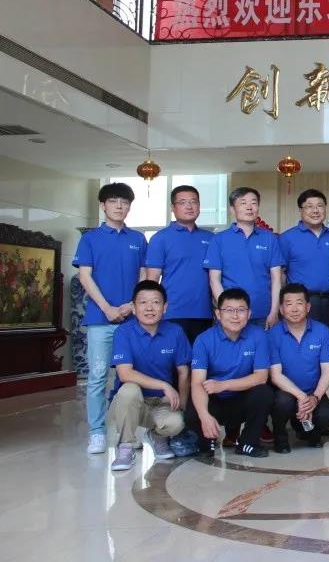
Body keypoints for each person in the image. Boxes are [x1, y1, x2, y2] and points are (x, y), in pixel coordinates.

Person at [74, 181, 148, 456]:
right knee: (97, 377)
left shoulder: (138, 239)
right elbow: (84, 276)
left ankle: (128, 433)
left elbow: (144, 275)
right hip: (100, 319)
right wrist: (107, 308)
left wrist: (131, 305)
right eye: (114, 201)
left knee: (130, 379)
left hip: (131, 320)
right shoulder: (90, 239)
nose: (119, 206)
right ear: (103, 205)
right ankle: (97, 432)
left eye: (124, 202)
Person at [108, 280, 190, 471]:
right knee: (129, 390)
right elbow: (125, 373)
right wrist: (164, 385)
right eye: (143, 302)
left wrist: (182, 406)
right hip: (130, 403)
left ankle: (157, 436)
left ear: (165, 307)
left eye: (156, 302)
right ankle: (125, 446)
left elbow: (183, 372)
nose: (149, 308)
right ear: (133, 308)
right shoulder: (123, 332)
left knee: (177, 424)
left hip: (161, 403)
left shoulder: (175, 332)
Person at [186, 288, 274, 458]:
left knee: (264, 393)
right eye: (228, 310)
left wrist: (223, 385)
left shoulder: (258, 336)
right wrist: (204, 416)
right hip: (214, 400)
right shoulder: (204, 340)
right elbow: (197, 382)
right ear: (218, 314)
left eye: (241, 310)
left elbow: (261, 377)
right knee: (193, 411)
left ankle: (247, 443)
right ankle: (207, 441)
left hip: (241, 399)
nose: (235, 316)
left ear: (249, 314)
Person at [267, 283, 329, 452]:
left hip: (312, 391)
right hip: (285, 392)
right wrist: (302, 397)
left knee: (328, 414)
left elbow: (327, 371)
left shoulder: (322, 331)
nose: (294, 309)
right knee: (282, 402)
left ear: (308, 307)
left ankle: (308, 431)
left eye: (299, 303)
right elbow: (276, 376)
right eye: (288, 304)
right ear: (281, 309)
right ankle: (280, 435)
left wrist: (315, 397)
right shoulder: (273, 334)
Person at [204, 187, 283, 328]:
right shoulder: (219, 240)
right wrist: (226, 310)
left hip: (263, 313)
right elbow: (214, 280)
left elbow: (277, 279)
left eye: (253, 203)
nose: (249, 207)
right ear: (232, 210)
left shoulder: (270, 238)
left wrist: (274, 311)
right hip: (232, 315)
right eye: (243, 203)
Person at [146, 184, 214, 344]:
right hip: (171, 313)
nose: (189, 206)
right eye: (183, 202)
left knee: (201, 359)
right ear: (173, 207)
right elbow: (152, 280)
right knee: (173, 359)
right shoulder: (160, 238)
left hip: (205, 313)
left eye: (194, 201)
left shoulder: (211, 238)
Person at [278, 189, 329, 332]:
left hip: (328, 301)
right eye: (309, 206)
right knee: (298, 341)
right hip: (299, 302)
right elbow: (281, 273)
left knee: (325, 339)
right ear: (300, 210)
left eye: (320, 206)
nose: (315, 210)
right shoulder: (287, 238)